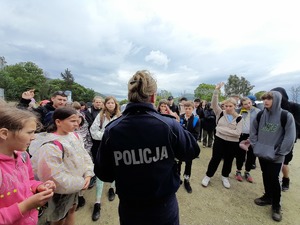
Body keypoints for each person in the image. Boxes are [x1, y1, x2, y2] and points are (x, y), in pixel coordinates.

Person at [94, 70, 200, 225]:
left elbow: (104, 173)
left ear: (130, 96)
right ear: (153, 96)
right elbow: (191, 151)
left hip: (130, 208)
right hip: (163, 207)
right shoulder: (169, 125)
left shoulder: (112, 130)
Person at [29, 107, 94, 225]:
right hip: (61, 191)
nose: (77, 124)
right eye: (72, 121)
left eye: (78, 121)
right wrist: (80, 183)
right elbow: (53, 177)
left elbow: (84, 155)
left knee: (72, 209)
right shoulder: (50, 145)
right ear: (58, 122)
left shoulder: (75, 136)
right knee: (58, 218)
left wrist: (88, 174)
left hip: (76, 185)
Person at [0, 102, 55, 225]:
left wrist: (38, 187)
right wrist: (26, 206)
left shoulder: (23, 156)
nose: (34, 137)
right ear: (4, 133)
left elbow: (28, 180)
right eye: (29, 132)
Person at [249, 90, 295, 222]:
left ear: (277, 100)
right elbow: (253, 131)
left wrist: (280, 151)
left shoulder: (286, 116)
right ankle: (267, 196)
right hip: (261, 152)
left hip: (276, 155)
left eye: (269, 99)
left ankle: (276, 205)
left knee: (274, 178)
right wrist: (255, 145)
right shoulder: (261, 114)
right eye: (265, 99)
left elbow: (289, 137)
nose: (266, 101)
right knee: (265, 174)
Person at [201, 82, 243, 189]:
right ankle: (208, 175)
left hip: (232, 143)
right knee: (215, 158)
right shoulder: (220, 113)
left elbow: (238, 133)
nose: (228, 108)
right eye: (226, 106)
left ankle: (225, 176)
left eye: (230, 106)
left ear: (235, 106)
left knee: (228, 160)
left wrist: (220, 129)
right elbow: (214, 103)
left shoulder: (239, 118)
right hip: (219, 140)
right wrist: (216, 91)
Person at [89, 96, 121, 221]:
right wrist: (107, 136)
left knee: (115, 170)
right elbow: (93, 131)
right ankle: (97, 202)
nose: (110, 104)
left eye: (112, 102)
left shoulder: (120, 116)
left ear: (115, 104)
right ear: (105, 104)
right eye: (108, 103)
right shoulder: (101, 116)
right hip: (103, 148)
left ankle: (112, 189)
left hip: (116, 149)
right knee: (100, 174)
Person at [271, 87, 300, 191]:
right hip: (273, 140)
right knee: (273, 164)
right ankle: (273, 183)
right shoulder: (272, 108)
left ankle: (285, 180)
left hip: (288, 140)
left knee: (284, 163)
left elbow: (297, 125)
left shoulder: (294, 107)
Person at [235, 97, 260, 183]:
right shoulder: (238, 111)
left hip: (253, 136)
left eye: (249, 103)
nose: (248, 105)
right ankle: (238, 171)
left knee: (251, 155)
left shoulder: (257, 111)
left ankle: (247, 172)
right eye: (245, 104)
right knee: (240, 154)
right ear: (242, 105)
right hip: (241, 135)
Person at [177, 101, 200, 193]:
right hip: (180, 145)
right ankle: (177, 178)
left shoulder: (196, 120)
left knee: (188, 163)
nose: (187, 110)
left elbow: (196, 134)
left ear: (193, 109)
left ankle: (187, 180)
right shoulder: (180, 118)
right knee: (178, 162)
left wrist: (187, 138)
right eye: (186, 108)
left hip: (190, 146)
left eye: (189, 108)